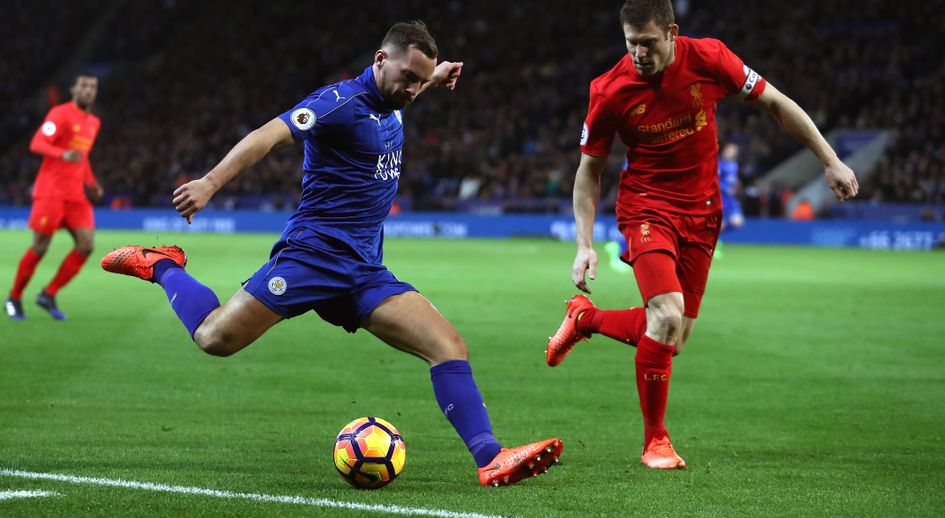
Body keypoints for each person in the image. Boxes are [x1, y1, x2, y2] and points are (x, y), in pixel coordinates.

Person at [101, 21, 562, 487]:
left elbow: (407, 89)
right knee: (214, 338)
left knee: (447, 346)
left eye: (420, 82)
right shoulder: (337, 104)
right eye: (408, 77)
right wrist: (209, 184)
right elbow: (266, 135)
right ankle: (163, 265)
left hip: (364, 269)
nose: (413, 90)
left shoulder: (396, 97)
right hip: (313, 256)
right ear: (380, 60)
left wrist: (433, 75)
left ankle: (490, 457)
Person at [546, 0, 858, 470]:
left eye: (648, 43)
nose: (639, 54)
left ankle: (585, 320)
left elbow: (776, 103)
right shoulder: (609, 90)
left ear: (672, 32)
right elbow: (589, 172)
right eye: (631, 44)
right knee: (666, 314)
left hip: (704, 212)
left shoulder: (710, 59)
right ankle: (656, 441)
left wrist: (830, 160)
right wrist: (584, 244)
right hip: (647, 209)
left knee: (673, 336)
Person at [5, 73, 104, 321]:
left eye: (93, 86)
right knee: (40, 247)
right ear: (74, 89)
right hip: (50, 192)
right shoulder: (59, 114)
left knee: (87, 245)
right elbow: (37, 143)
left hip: (76, 196)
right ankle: (14, 297)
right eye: (84, 85)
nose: (88, 90)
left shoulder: (94, 122)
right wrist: (61, 154)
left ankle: (48, 294)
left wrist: (91, 183)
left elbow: (83, 156)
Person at [715, 141, 743, 258]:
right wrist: (726, 188)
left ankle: (717, 237)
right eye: (730, 150)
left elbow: (734, 181)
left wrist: (735, 187)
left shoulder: (734, 165)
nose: (732, 153)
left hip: (731, 199)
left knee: (738, 222)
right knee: (719, 225)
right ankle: (715, 245)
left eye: (734, 151)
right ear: (725, 150)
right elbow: (715, 180)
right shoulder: (719, 164)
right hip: (721, 197)